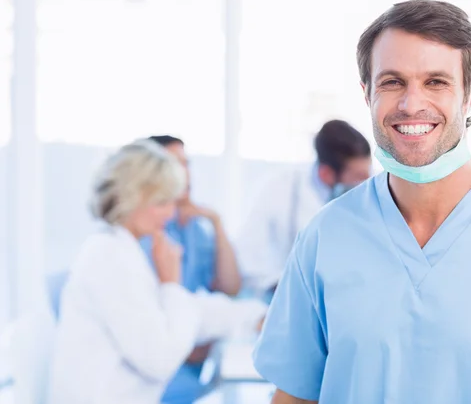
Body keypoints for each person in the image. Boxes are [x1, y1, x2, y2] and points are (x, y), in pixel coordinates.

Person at [253, 0, 471, 404]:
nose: (411, 104)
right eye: (392, 82)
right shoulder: (325, 238)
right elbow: (294, 396)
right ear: (367, 93)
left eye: (435, 81)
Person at [49, 140, 266, 404]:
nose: (170, 213)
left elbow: (190, 310)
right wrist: (170, 283)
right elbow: (160, 359)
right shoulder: (109, 259)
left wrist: (252, 315)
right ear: (133, 197)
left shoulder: (121, 248)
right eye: (162, 202)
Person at [141, 135, 242, 403]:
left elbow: (230, 287)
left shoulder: (197, 228)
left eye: (186, 164)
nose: (185, 173)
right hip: (164, 372)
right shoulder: (144, 235)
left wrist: (217, 223)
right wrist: (189, 344)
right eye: (175, 164)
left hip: (194, 360)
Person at [236, 120, 371, 297]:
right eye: (358, 176)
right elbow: (250, 259)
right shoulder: (278, 190)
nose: (366, 182)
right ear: (326, 174)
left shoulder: (370, 196)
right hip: (284, 298)